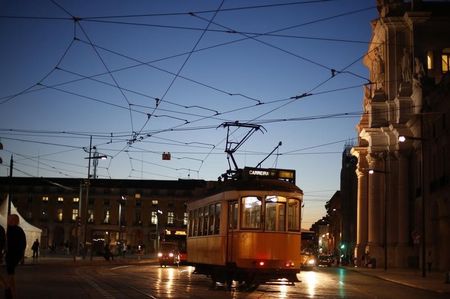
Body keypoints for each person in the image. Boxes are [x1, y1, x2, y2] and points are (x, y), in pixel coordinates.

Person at [4, 214, 26, 299]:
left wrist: (21, 256)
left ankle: (8, 290)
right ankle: (11, 291)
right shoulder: (11, 229)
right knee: (10, 274)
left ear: (14, 220)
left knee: (10, 273)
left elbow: (22, 244)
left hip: (13, 255)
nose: (8, 220)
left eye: (9, 219)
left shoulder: (15, 230)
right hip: (12, 254)